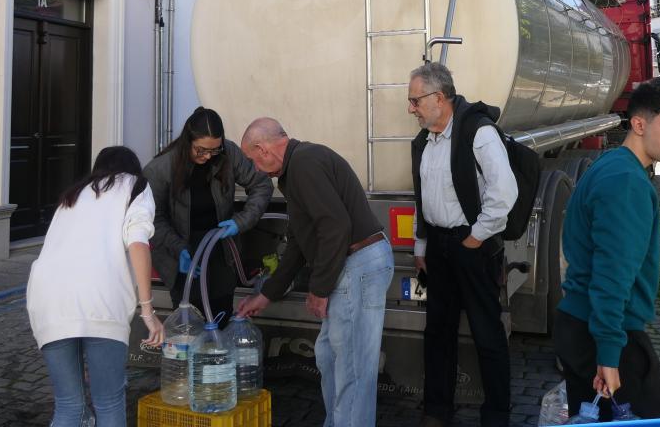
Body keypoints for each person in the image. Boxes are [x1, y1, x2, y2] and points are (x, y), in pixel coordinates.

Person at [237, 117, 393, 427]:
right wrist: (266, 294)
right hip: (352, 263)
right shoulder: (295, 171)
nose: (255, 170)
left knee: (351, 366)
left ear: (263, 148)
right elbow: (297, 242)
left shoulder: (305, 163)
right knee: (329, 355)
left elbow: (335, 227)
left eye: (253, 161)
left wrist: (320, 289)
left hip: (358, 263)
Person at [554, 78, 660, 421]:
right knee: (652, 415)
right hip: (601, 332)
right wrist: (608, 354)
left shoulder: (614, 164)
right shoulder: (626, 182)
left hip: (586, 325)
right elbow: (612, 274)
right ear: (638, 124)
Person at [407, 62, 517, 427]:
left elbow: (504, 193)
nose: (411, 108)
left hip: (472, 246)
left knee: (487, 333)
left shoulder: (478, 132)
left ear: (439, 98)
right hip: (438, 248)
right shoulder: (424, 141)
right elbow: (422, 199)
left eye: (415, 100)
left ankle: (497, 415)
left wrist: (474, 238)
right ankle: (437, 411)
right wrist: (422, 247)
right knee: (437, 333)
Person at [26, 146, 165, 427]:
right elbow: (138, 243)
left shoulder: (73, 194)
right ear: (132, 168)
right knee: (109, 403)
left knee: (68, 406)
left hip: (48, 300)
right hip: (101, 300)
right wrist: (148, 310)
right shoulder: (136, 186)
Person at [144, 107, 273, 326]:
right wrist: (179, 248)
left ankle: (218, 355)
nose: (207, 156)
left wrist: (240, 222)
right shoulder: (160, 169)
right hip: (182, 254)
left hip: (220, 247)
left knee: (220, 314)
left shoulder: (228, 154)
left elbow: (261, 184)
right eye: (201, 150)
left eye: (214, 150)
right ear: (188, 140)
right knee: (189, 322)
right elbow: (152, 219)